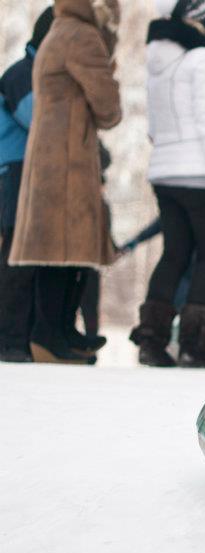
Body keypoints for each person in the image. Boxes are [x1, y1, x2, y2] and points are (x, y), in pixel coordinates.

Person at [128, 0, 205, 368]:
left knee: (174, 254)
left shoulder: (159, 61)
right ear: (203, 16)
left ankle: (151, 341)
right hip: (201, 172)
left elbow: (152, 127)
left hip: (164, 170)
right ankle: (194, 346)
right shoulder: (203, 58)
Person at [8, 0, 122, 365]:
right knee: (68, 249)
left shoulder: (59, 30)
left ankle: (58, 332)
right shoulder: (83, 36)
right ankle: (50, 335)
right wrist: (110, 50)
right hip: (69, 158)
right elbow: (109, 109)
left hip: (52, 157)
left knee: (60, 249)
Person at [0, 7, 53, 363]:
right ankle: (9, 339)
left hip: (29, 170)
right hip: (15, 169)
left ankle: (21, 337)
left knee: (27, 254)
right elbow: (40, 121)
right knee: (16, 254)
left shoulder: (37, 71)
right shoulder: (23, 73)